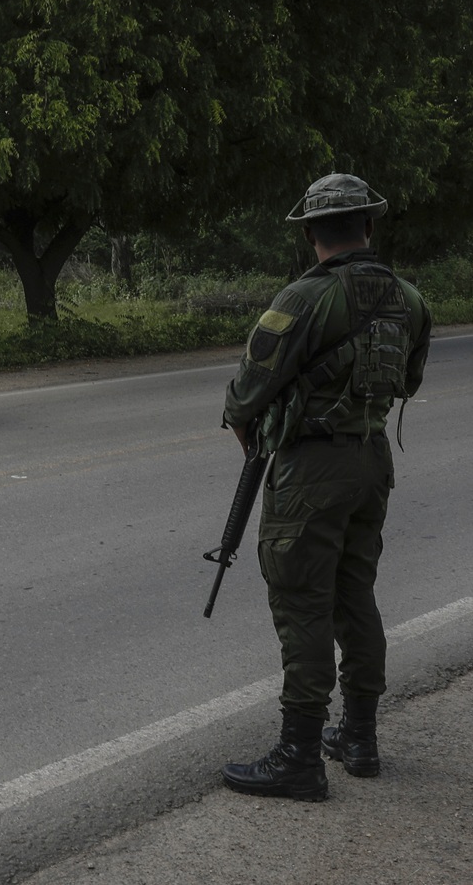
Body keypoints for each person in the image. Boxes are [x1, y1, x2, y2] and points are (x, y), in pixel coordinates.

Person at [218, 173, 432, 801]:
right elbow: (408, 381)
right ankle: (359, 738)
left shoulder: (302, 299)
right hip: (371, 460)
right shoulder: (411, 299)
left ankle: (299, 757)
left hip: (311, 469)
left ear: (310, 232)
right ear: (368, 225)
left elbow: (245, 397)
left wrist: (259, 430)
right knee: (355, 594)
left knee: (303, 603)